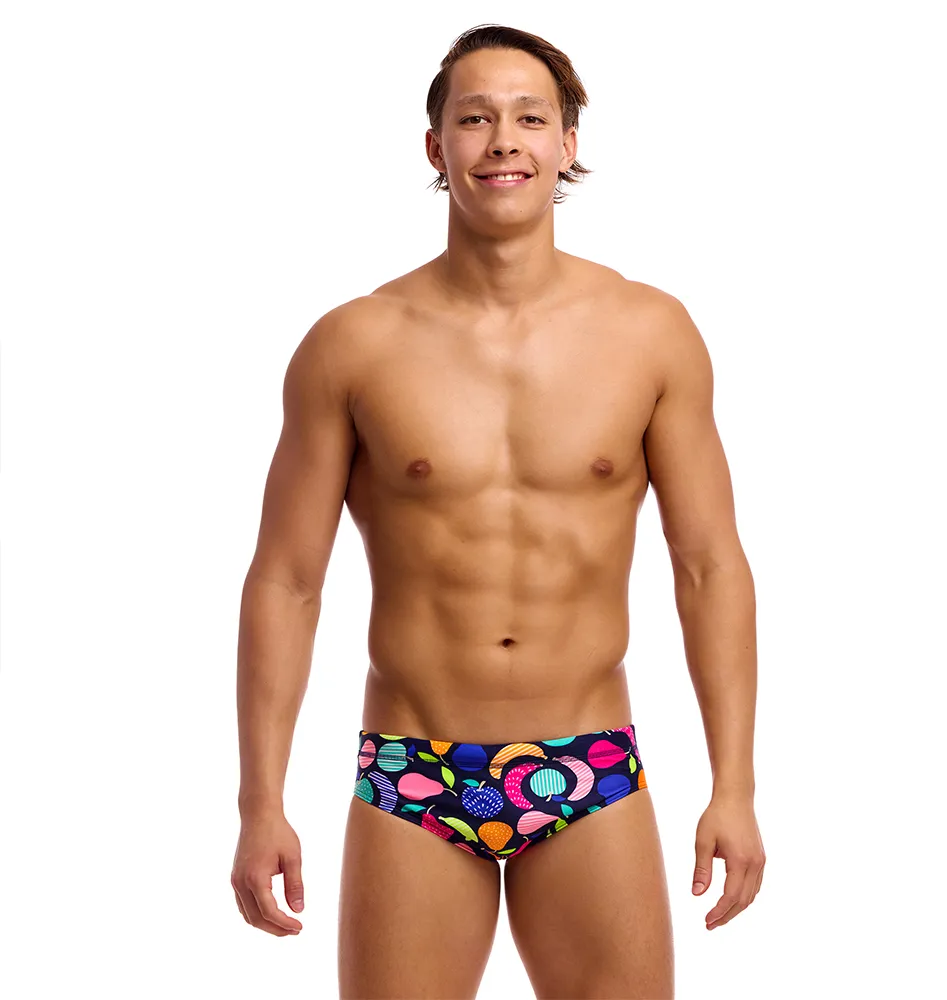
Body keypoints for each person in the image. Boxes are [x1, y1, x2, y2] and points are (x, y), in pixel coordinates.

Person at [231, 23, 764, 1000]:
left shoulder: (650, 333)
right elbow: (287, 580)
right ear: (436, 147)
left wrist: (734, 784)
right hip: (415, 769)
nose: (504, 140)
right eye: (475, 119)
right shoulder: (353, 345)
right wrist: (259, 800)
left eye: (531, 118)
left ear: (568, 144)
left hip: (589, 761)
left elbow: (708, 566)